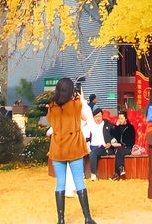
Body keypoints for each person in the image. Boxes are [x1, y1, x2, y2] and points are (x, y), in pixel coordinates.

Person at [47, 78, 95, 224]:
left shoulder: (51, 107)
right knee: (79, 182)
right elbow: (87, 118)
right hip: (74, 147)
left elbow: (51, 122)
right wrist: (81, 100)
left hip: (57, 148)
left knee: (60, 183)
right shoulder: (76, 105)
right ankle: (87, 218)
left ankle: (61, 220)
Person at [88, 107, 113, 180]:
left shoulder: (108, 124)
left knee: (93, 153)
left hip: (103, 147)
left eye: (99, 116)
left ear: (102, 116)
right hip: (92, 146)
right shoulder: (91, 125)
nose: (98, 118)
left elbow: (114, 135)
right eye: (95, 117)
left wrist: (110, 143)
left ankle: (93, 174)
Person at [109, 110, 135, 179]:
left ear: (125, 119)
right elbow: (111, 133)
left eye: (121, 118)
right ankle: (120, 170)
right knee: (117, 151)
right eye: (119, 118)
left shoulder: (130, 128)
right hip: (118, 147)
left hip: (128, 147)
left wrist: (120, 145)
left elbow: (131, 141)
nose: (119, 120)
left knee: (120, 151)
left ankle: (118, 172)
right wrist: (116, 126)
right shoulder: (118, 127)